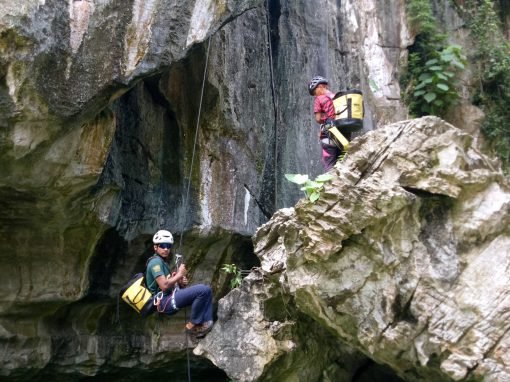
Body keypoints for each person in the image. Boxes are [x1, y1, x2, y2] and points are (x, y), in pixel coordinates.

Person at [146, 229, 214, 337]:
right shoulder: (155, 262)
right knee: (202, 290)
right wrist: (179, 274)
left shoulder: (163, 263)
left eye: (168, 246)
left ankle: (206, 324)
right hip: (164, 302)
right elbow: (164, 286)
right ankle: (192, 325)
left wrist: (180, 282)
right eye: (162, 245)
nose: (166, 249)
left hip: (169, 297)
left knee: (208, 290)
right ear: (155, 247)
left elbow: (168, 284)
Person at [308, 75, 345, 171]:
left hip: (329, 131)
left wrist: (323, 121)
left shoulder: (319, 99)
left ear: (320, 87)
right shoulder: (335, 97)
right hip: (342, 129)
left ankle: (330, 182)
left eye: (315, 92)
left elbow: (318, 118)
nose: (315, 95)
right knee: (341, 157)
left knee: (328, 160)